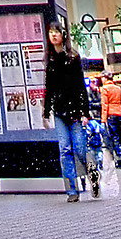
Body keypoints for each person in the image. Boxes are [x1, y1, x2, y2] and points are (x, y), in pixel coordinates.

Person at [41, 19, 98, 202]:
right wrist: (46, 111)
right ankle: (71, 190)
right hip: (59, 112)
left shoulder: (72, 58)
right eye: (51, 32)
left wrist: (85, 113)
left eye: (57, 32)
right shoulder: (49, 60)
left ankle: (92, 171)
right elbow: (49, 87)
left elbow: (80, 87)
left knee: (80, 149)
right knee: (64, 149)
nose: (54, 35)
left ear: (63, 35)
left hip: (75, 111)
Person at [100, 72, 121, 167]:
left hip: (111, 114)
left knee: (114, 136)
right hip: (120, 114)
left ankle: (119, 158)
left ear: (106, 78)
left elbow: (104, 105)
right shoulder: (118, 88)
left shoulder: (105, 89)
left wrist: (103, 119)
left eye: (102, 78)